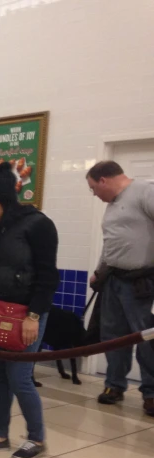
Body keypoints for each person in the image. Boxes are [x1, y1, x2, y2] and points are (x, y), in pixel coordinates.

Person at [0, 162, 59, 458]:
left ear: (6, 200)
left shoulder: (38, 224)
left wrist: (34, 316)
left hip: (26, 313)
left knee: (20, 376)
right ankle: (0, 433)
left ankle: (36, 438)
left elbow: (48, 276)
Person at [87, 161, 154, 417]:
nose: (94, 194)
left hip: (141, 281)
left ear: (103, 180)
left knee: (146, 338)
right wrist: (98, 270)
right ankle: (114, 386)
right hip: (113, 279)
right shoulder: (113, 204)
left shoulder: (144, 191)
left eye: (94, 188)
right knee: (112, 336)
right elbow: (111, 242)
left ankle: (151, 393)